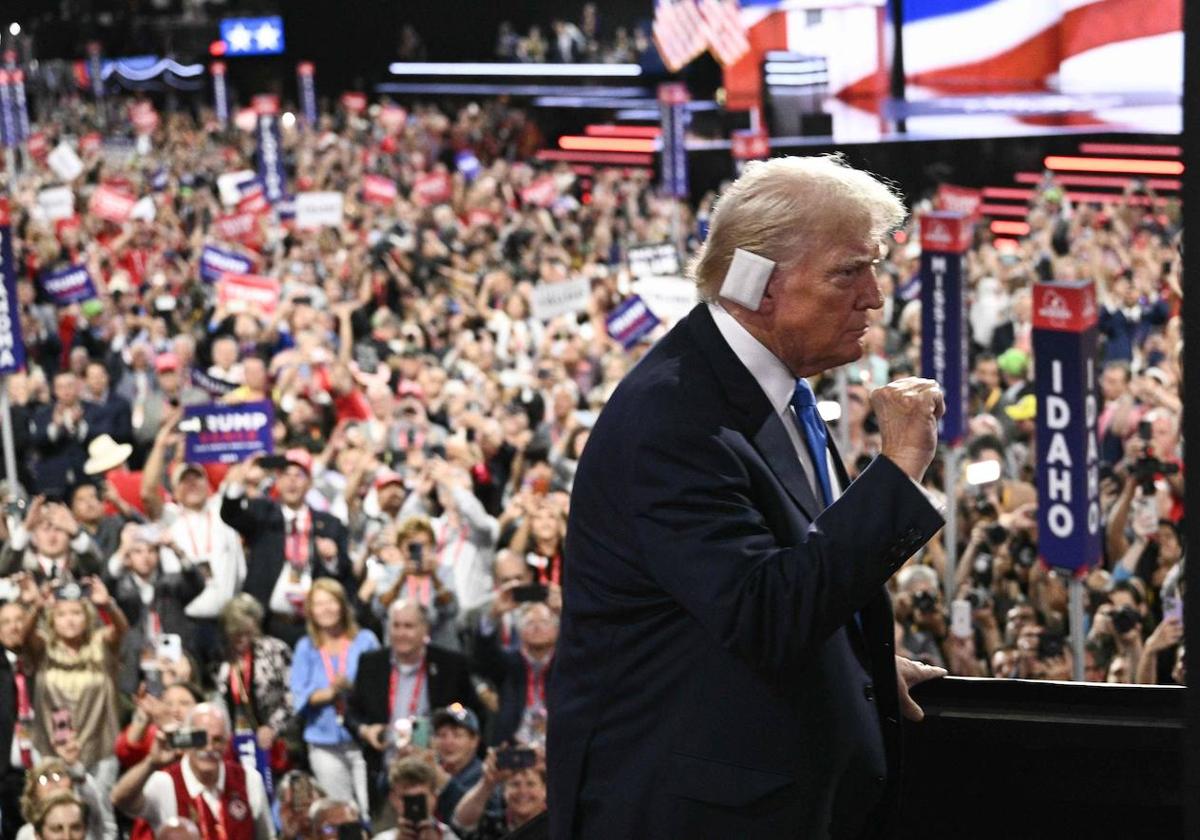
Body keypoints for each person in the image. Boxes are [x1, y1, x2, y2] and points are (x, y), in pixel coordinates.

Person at [547, 156, 948, 838]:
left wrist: (856, 666)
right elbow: (764, 612)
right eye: (850, 271)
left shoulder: (777, 385)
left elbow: (786, 569)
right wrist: (898, 470)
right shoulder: (674, 420)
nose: (876, 296)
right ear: (757, 283)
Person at [346, 600, 482, 813]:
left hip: (439, 777)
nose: (401, 633)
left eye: (408, 626)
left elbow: (471, 712)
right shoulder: (371, 663)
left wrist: (450, 727)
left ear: (425, 629)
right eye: (396, 626)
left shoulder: (451, 665)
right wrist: (366, 730)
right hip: (387, 777)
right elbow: (351, 713)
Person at [220, 450, 354, 646]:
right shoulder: (262, 512)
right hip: (269, 621)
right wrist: (242, 474)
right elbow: (230, 515)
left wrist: (332, 558)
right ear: (277, 481)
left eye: (298, 475)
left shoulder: (330, 523)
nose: (292, 482)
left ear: (309, 483)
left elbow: (345, 570)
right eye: (285, 475)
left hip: (314, 626)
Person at [110, 703, 275, 839]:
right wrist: (151, 763)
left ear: (227, 743)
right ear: (186, 740)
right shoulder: (165, 782)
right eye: (200, 738)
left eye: (217, 740)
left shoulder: (248, 779)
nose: (209, 747)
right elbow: (119, 798)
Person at [290, 579, 380, 815]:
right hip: (323, 742)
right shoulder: (305, 646)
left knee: (371, 809)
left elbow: (379, 686)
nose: (326, 609)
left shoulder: (366, 640)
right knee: (343, 813)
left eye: (330, 602)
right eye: (318, 604)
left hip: (362, 739)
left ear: (342, 605)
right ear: (310, 610)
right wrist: (331, 692)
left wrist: (352, 687)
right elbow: (299, 694)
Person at [211, 595, 294, 771]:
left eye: (246, 631)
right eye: (235, 632)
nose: (241, 638)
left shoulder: (275, 650)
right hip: (238, 744)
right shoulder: (221, 660)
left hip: (278, 742)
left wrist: (272, 728)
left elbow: (294, 695)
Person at [451, 757, 546, 840]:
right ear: (504, 791)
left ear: (545, 789)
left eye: (530, 784)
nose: (523, 791)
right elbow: (461, 824)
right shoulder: (493, 827)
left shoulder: (557, 825)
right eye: (515, 784)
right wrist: (487, 783)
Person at [373, 758, 459, 840]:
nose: (414, 806)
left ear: (434, 797)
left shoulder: (450, 836)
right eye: (406, 799)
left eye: (420, 798)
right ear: (393, 799)